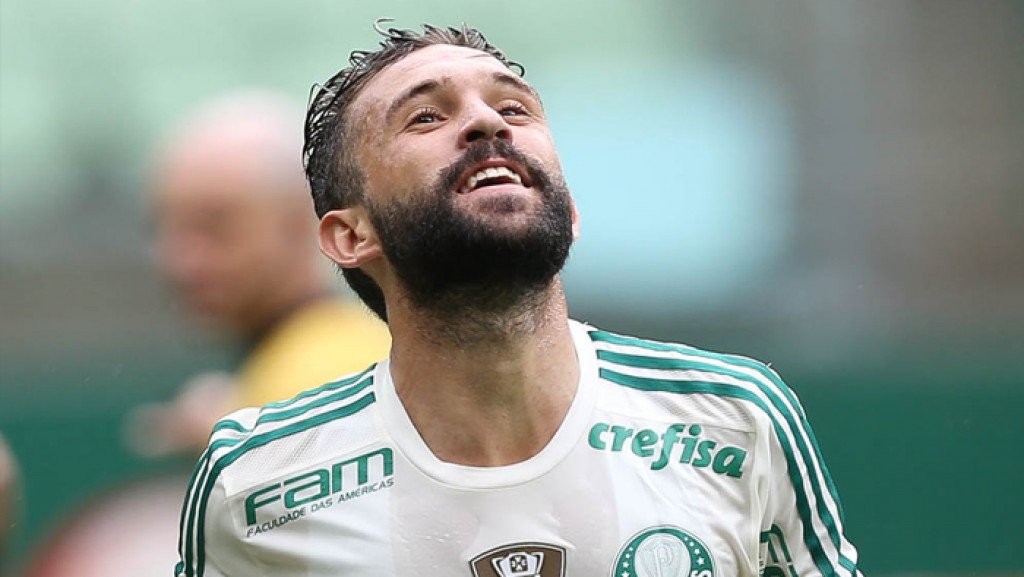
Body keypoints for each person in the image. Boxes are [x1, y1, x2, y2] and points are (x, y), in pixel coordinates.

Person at [175, 23, 861, 577]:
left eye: (512, 108)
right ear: (352, 235)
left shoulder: (736, 420)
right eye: (424, 117)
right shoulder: (253, 484)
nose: (486, 122)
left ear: (571, 210)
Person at [126, 92, 391, 456]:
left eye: (214, 226)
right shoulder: (299, 365)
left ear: (301, 223)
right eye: (165, 228)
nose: (181, 261)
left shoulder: (319, 382)